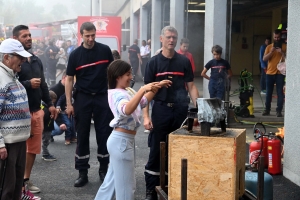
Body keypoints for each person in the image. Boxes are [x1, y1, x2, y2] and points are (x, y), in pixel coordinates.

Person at [94, 60, 171, 200]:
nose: (131, 77)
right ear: (118, 77)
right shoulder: (118, 94)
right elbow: (127, 110)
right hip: (121, 142)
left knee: (109, 185)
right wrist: (143, 89)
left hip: (122, 141)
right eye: (128, 74)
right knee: (126, 189)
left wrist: (157, 87)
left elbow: (142, 102)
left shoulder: (125, 91)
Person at [143, 26, 200, 200]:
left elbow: (191, 86)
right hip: (160, 110)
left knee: (178, 149)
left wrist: (198, 110)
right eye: (168, 37)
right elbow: (147, 91)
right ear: (161, 39)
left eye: (174, 37)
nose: (171, 40)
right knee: (156, 150)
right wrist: (146, 116)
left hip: (181, 110)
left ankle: (174, 187)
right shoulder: (153, 62)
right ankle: (151, 190)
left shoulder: (183, 62)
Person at [65, 21, 114, 187]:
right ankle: (82, 172)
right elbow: (69, 79)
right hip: (83, 98)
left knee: (104, 134)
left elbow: (113, 73)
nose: (91, 39)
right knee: (82, 135)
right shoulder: (75, 55)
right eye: (87, 36)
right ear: (81, 35)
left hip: (102, 97)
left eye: (93, 35)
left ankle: (104, 170)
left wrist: (114, 96)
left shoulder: (105, 50)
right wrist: (69, 103)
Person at [13, 25, 57, 194]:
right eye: (25, 36)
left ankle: (25, 181)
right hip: (18, 113)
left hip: (36, 111)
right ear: (16, 39)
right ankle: (13, 183)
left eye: (30, 35)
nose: (29, 38)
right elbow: (8, 86)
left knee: (32, 149)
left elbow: (43, 84)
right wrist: (28, 84)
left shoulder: (36, 59)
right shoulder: (11, 60)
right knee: (16, 150)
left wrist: (50, 105)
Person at [0, 38, 31, 200]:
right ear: (7, 58)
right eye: (19, 56)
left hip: (18, 141)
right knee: (7, 189)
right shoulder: (1, 78)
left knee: (16, 186)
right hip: (7, 144)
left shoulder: (11, 76)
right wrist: (0, 145)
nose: (23, 60)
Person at [262, 29, 286, 117]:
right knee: (269, 92)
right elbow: (264, 59)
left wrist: (282, 52)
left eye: (278, 37)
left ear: (280, 37)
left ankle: (279, 111)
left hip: (280, 73)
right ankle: (267, 109)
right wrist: (271, 51)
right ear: (273, 37)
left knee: (280, 92)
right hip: (270, 73)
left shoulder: (284, 46)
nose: (277, 38)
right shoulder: (269, 47)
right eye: (275, 37)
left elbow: (288, 59)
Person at [41, 91, 58, 161]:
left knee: (46, 140)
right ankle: (45, 154)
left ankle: (45, 153)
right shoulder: (45, 108)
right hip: (46, 128)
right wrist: (50, 116)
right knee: (45, 141)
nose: (53, 104)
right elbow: (43, 118)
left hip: (48, 127)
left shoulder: (46, 107)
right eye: (53, 102)